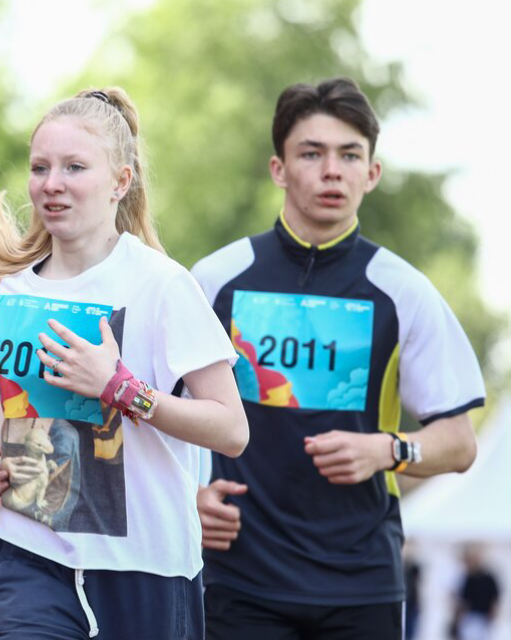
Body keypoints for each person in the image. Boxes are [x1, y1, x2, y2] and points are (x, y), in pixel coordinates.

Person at [0, 87, 249, 640]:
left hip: (144, 569)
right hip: (29, 553)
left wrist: (121, 389)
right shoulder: (10, 287)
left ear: (120, 182)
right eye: (40, 168)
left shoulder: (163, 285)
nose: (51, 183)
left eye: (74, 167)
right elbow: (7, 386)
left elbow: (231, 429)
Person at [192, 77, 485, 639]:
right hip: (239, 580)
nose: (332, 171)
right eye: (312, 153)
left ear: (371, 173)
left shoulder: (403, 290)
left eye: (350, 155)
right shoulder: (215, 279)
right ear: (278, 168)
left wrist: (388, 449)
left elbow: (460, 443)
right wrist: (190, 499)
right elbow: (152, 411)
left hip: (362, 583)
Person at [453, 545, 500, 640]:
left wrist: (493, 613)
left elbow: (495, 597)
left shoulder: (488, 578)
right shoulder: (466, 577)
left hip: (482, 616)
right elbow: (462, 599)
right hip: (469, 617)